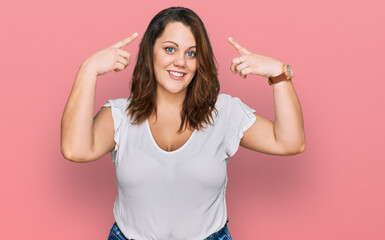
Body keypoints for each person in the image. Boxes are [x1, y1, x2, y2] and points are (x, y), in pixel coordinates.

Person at [61, 6, 305, 240]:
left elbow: (289, 142)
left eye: (191, 53)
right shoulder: (119, 115)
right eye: (170, 49)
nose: (181, 62)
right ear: (150, 52)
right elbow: (75, 149)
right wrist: (88, 70)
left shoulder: (224, 112)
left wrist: (278, 74)